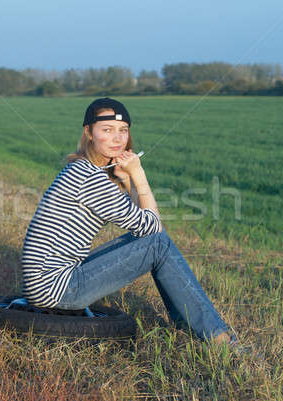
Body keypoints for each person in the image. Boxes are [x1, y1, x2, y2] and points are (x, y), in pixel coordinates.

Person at [20, 97, 235, 346]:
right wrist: (138, 174)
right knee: (159, 244)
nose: (117, 138)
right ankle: (217, 337)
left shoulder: (83, 170)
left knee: (152, 241)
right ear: (89, 133)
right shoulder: (89, 178)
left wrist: (126, 181)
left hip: (50, 282)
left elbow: (142, 226)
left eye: (123, 131)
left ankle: (191, 323)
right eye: (107, 130)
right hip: (56, 289)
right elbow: (154, 227)